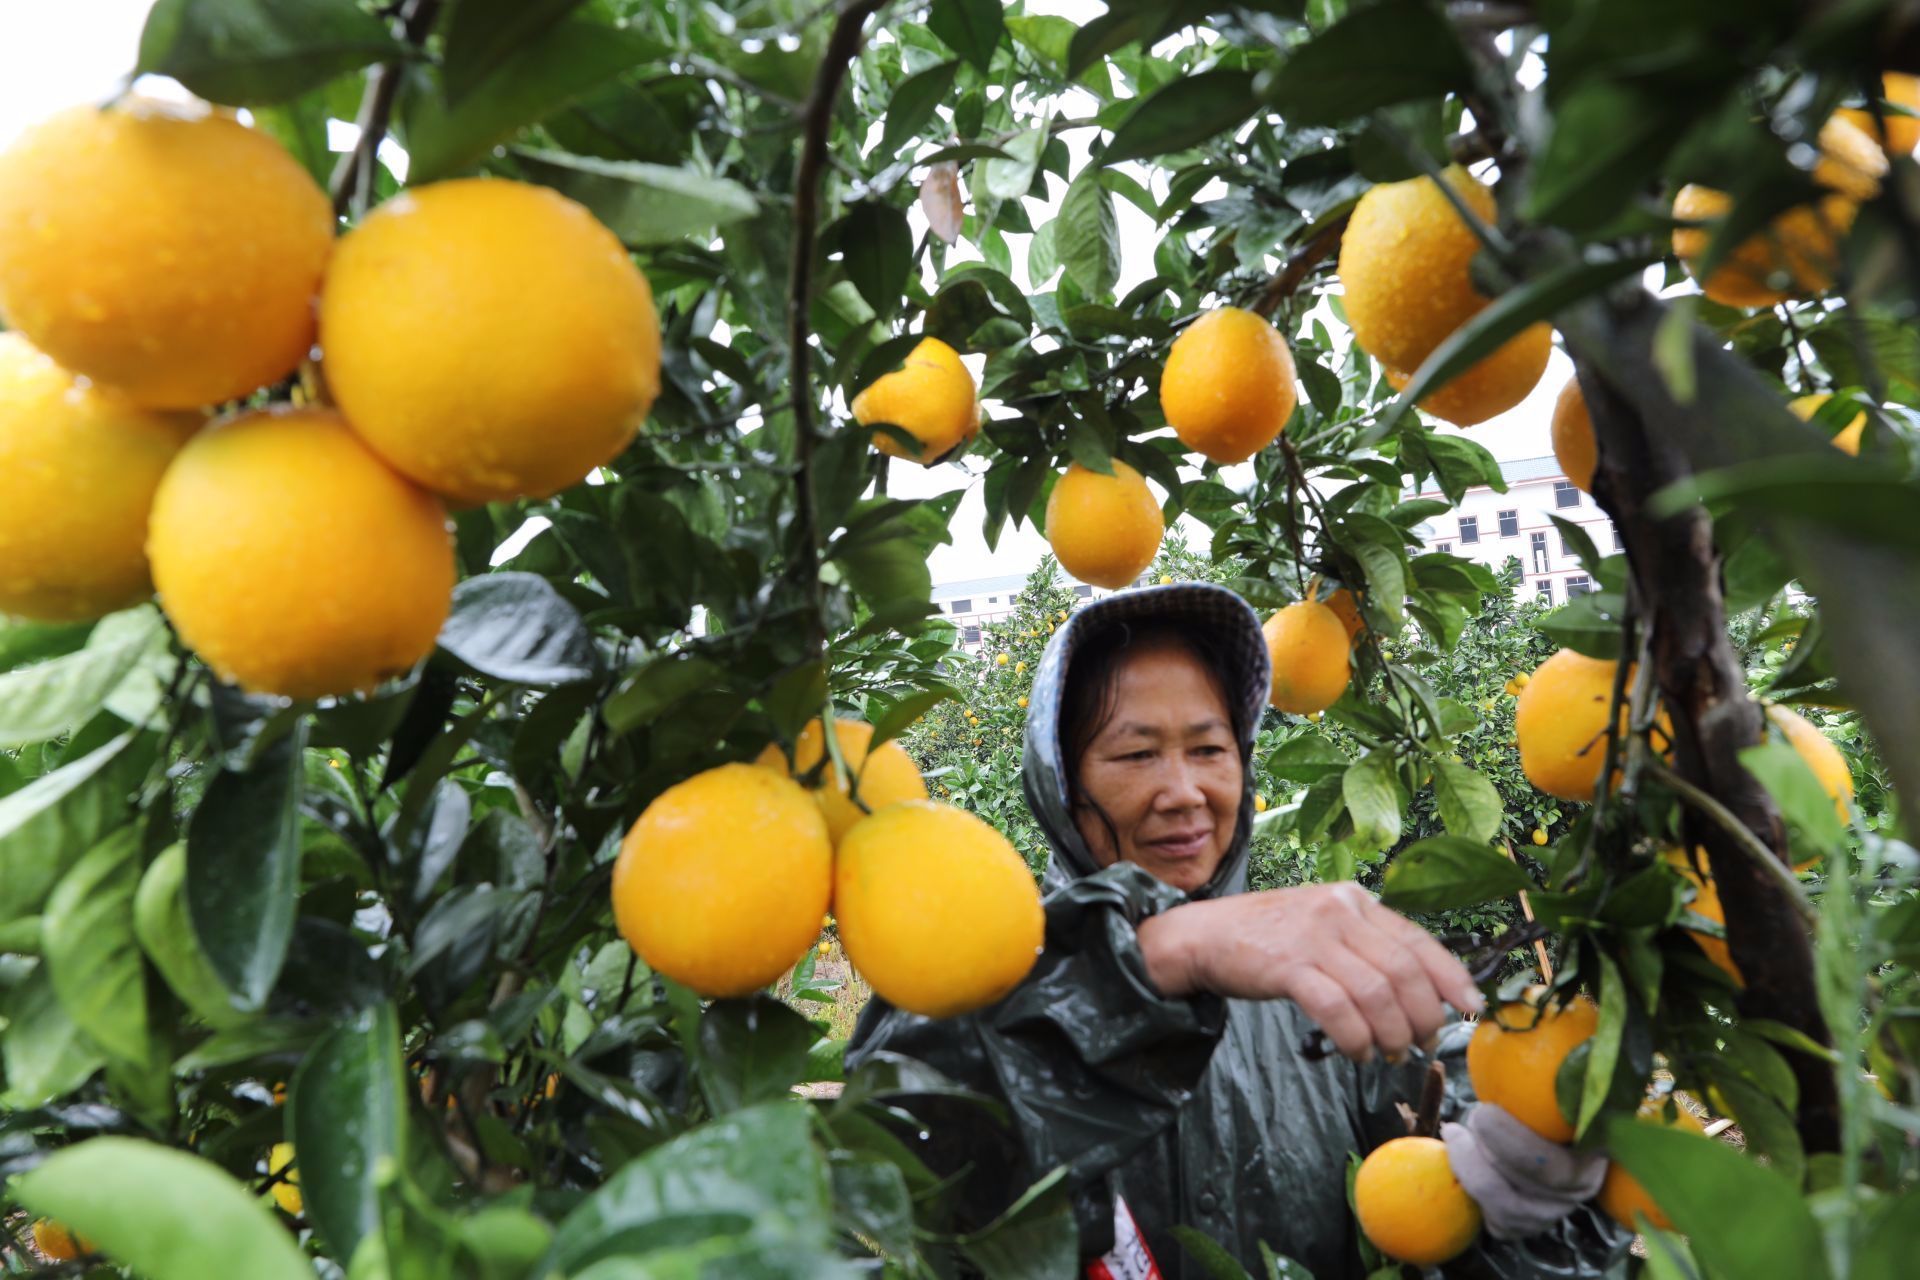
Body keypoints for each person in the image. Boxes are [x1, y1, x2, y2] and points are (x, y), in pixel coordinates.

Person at [848, 584, 1628, 1278]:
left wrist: (1532, 1212)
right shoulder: (988, 973)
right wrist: (1167, 952)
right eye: (1137, 753)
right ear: (1062, 783)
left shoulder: (1324, 986)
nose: (1184, 792)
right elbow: (910, 1144)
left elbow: (1447, 1213)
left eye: (1210, 749)